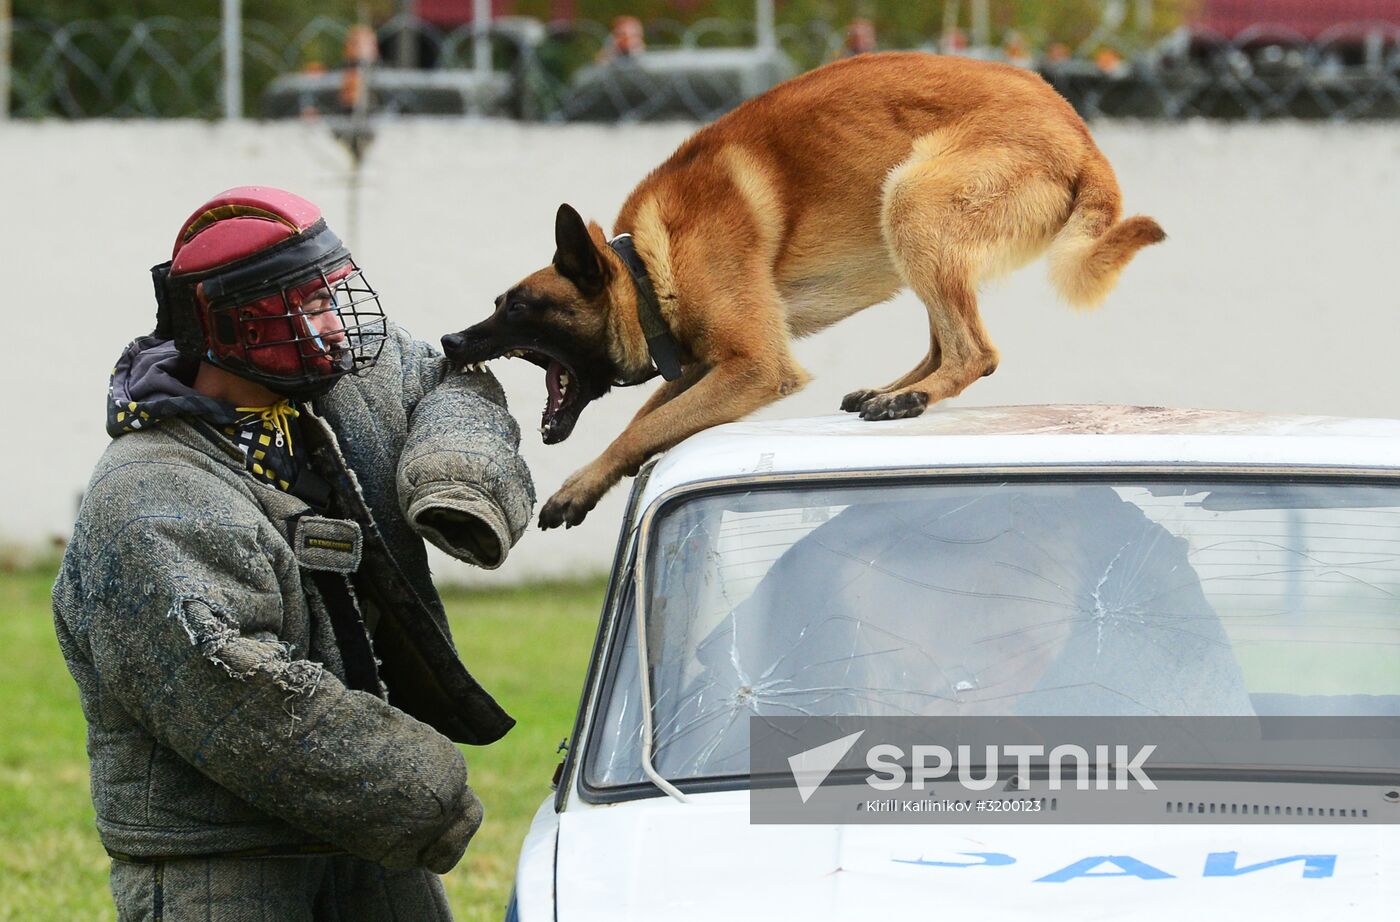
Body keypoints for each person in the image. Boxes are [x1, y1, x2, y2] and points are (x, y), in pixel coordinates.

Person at [51, 186, 535, 919]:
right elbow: (238, 693)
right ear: (238, 327)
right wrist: (420, 785)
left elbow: (450, 376)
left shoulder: (332, 391)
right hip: (221, 862)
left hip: (359, 839)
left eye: (332, 297)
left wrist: (455, 477)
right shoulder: (148, 494)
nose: (336, 324)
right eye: (309, 306)